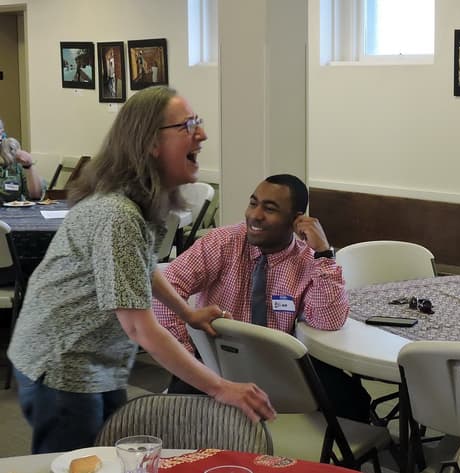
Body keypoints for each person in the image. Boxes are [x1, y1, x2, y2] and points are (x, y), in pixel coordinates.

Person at [7, 86, 276, 454]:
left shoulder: (140, 206)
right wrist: (221, 387)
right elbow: (140, 327)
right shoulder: (117, 215)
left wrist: (188, 313)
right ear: (150, 143)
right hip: (61, 363)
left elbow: (142, 268)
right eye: (188, 125)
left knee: (109, 455)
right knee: (76, 462)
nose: (203, 134)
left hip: (95, 359)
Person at [154, 174, 372, 423]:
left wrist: (323, 254)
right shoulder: (222, 243)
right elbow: (166, 290)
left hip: (278, 365)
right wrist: (188, 355)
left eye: (269, 209)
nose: (255, 215)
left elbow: (328, 321)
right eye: (253, 203)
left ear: (296, 219)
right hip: (217, 360)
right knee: (175, 419)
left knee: (354, 402)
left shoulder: (307, 260)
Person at [0, 118, 44, 203]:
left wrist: (29, 166)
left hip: (12, 213)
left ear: (1, 133)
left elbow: (35, 196)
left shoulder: (13, 155)